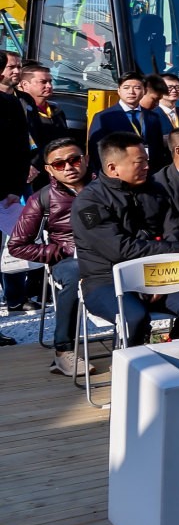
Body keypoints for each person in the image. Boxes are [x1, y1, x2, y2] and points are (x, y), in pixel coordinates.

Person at [72, 131, 179, 342]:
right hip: (107, 281)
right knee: (133, 318)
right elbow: (118, 248)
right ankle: (129, 360)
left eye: (146, 160)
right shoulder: (89, 203)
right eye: (139, 162)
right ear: (113, 168)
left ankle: (177, 352)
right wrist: (175, 249)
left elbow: (175, 229)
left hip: (159, 274)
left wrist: (159, 278)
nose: (146, 167)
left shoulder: (155, 190)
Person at [13, 138, 90, 372]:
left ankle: (139, 339)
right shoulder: (42, 198)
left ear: (86, 159)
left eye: (74, 160)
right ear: (48, 169)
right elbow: (17, 245)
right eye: (59, 164)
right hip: (68, 260)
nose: (68, 167)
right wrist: (60, 251)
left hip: (110, 254)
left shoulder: (106, 187)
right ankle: (63, 351)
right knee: (76, 274)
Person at [86, 73, 169, 173]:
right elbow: (95, 150)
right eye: (126, 88)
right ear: (119, 91)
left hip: (149, 172)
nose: (131, 92)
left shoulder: (152, 117)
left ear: (144, 91)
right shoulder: (103, 117)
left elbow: (158, 148)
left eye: (137, 88)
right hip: (119, 172)